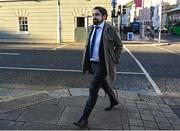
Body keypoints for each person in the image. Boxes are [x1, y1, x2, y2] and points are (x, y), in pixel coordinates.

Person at [73, 6, 123, 128]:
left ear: (104, 17)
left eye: (97, 14)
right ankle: (114, 100)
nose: (94, 17)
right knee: (103, 84)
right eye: (93, 14)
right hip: (93, 63)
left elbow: (119, 46)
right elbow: (89, 45)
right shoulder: (90, 28)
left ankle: (84, 119)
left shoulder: (110, 29)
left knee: (93, 90)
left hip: (103, 64)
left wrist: (114, 60)